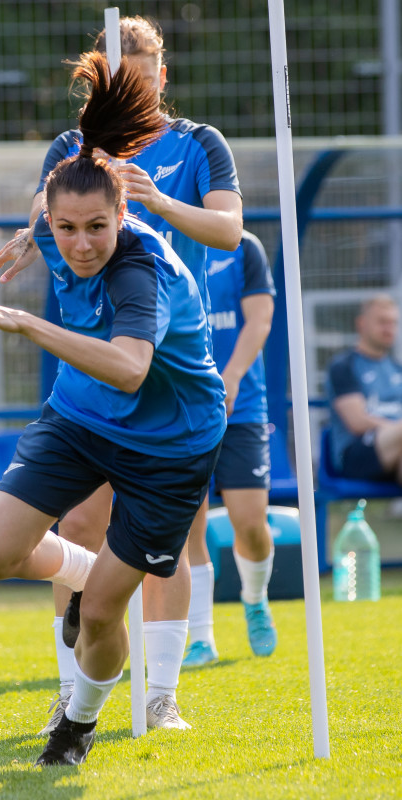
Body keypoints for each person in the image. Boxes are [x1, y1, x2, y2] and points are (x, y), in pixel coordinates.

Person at [0, 51, 226, 767]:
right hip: (79, 419)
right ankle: (78, 571)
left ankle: (80, 724)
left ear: (122, 215)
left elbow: (131, 370)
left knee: (101, 614)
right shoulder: (52, 224)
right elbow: (51, 204)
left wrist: (26, 323)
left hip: (171, 444)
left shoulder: (143, 268)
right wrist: (32, 230)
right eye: (66, 229)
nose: (80, 243)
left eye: (96, 227)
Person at [0, 15, 242, 734]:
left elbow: (230, 231)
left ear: (160, 78)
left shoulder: (198, 144)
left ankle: (159, 694)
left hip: (171, 368)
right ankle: (71, 687)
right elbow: (46, 210)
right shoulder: (75, 147)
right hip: (94, 360)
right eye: (114, 81)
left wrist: (159, 202)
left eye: (139, 80)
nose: (127, 98)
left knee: (170, 537)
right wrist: (28, 233)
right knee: (77, 521)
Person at [183, 230, 277, 667]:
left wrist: (233, 375)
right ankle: (201, 637)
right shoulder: (162, 240)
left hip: (242, 406)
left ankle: (255, 599)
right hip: (184, 408)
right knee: (189, 528)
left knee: (251, 524)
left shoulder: (243, 246)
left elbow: (260, 319)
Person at [326, 294, 402, 484]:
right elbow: (357, 422)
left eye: (393, 323)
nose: (389, 329)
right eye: (382, 322)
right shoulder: (344, 366)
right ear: (361, 323)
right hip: (357, 454)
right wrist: (397, 430)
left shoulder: (396, 368)